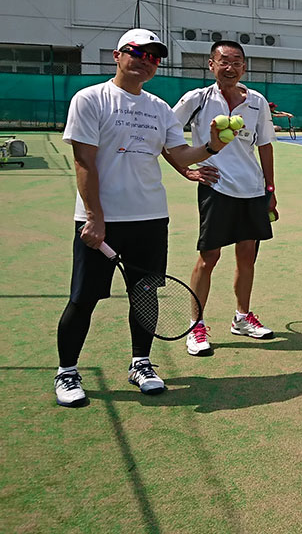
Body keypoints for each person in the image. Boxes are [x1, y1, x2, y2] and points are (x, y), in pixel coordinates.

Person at [55, 28, 233, 407]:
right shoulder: (90, 99)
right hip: (100, 221)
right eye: (137, 52)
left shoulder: (158, 108)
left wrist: (211, 146)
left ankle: (142, 363)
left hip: (151, 218)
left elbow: (180, 155)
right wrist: (94, 217)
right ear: (117, 56)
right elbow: (84, 161)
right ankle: (67, 371)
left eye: (153, 56)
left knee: (146, 295)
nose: (145, 61)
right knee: (84, 298)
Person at [166, 40, 277, 357]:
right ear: (211, 65)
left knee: (247, 255)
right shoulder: (197, 99)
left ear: (244, 67)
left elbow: (266, 146)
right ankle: (196, 326)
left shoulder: (255, 101)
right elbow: (164, 136)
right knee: (209, 257)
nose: (230, 67)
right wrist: (187, 171)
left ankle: (242, 318)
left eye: (237, 61)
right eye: (223, 61)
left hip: (253, 191)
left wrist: (270, 191)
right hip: (216, 189)